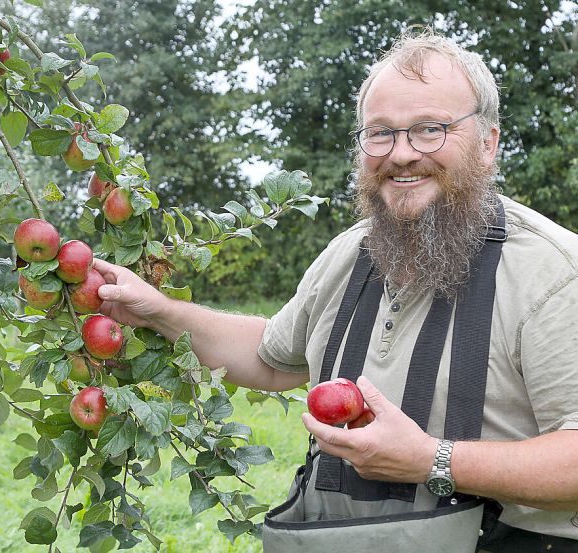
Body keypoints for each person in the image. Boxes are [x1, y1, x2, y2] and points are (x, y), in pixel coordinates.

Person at [91, 30, 578, 550]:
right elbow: (273, 359)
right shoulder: (350, 254)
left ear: (488, 143)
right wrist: (159, 311)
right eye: (381, 133)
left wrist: (433, 460)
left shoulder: (553, 273)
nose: (402, 154)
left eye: (430, 130)